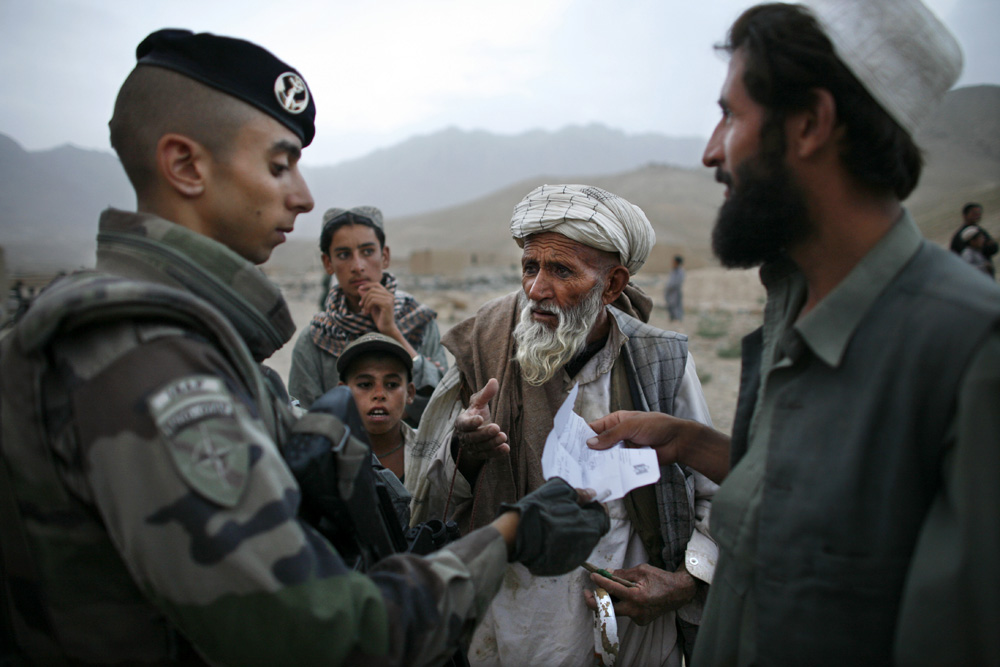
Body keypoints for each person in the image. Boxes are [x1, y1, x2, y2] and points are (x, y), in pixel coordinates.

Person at [0, 29, 611, 666]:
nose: (303, 194)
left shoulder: (158, 332)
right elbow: (315, 635)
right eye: (277, 164)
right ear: (185, 165)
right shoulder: (146, 358)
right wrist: (509, 536)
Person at [586, 2, 1000, 665]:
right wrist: (686, 438)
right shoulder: (793, 308)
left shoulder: (969, 351)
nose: (712, 149)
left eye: (732, 114)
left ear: (810, 123)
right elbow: (806, 500)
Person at [408, 184, 718, 667]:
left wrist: (683, 582)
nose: (535, 289)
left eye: (561, 271)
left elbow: (715, 491)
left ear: (612, 285)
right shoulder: (485, 344)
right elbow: (431, 496)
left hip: (632, 630)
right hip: (516, 626)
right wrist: (465, 451)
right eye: (530, 267)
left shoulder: (661, 361)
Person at [288, 206, 447, 425]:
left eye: (367, 252)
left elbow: (443, 404)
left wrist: (392, 332)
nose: (358, 266)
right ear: (328, 263)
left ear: (385, 256)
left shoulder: (420, 323)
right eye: (344, 255)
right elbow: (303, 419)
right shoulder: (315, 339)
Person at [337, 332, 418, 527]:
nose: (379, 395)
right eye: (365, 384)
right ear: (342, 392)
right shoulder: (328, 454)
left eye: (392, 384)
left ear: (409, 393)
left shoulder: (434, 456)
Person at [665, 254, 686, 321]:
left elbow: (677, 282)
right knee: (670, 305)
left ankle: (678, 319)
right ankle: (672, 318)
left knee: (676, 305)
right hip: (670, 292)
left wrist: (671, 287)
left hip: (676, 291)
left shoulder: (680, 271)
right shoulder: (673, 270)